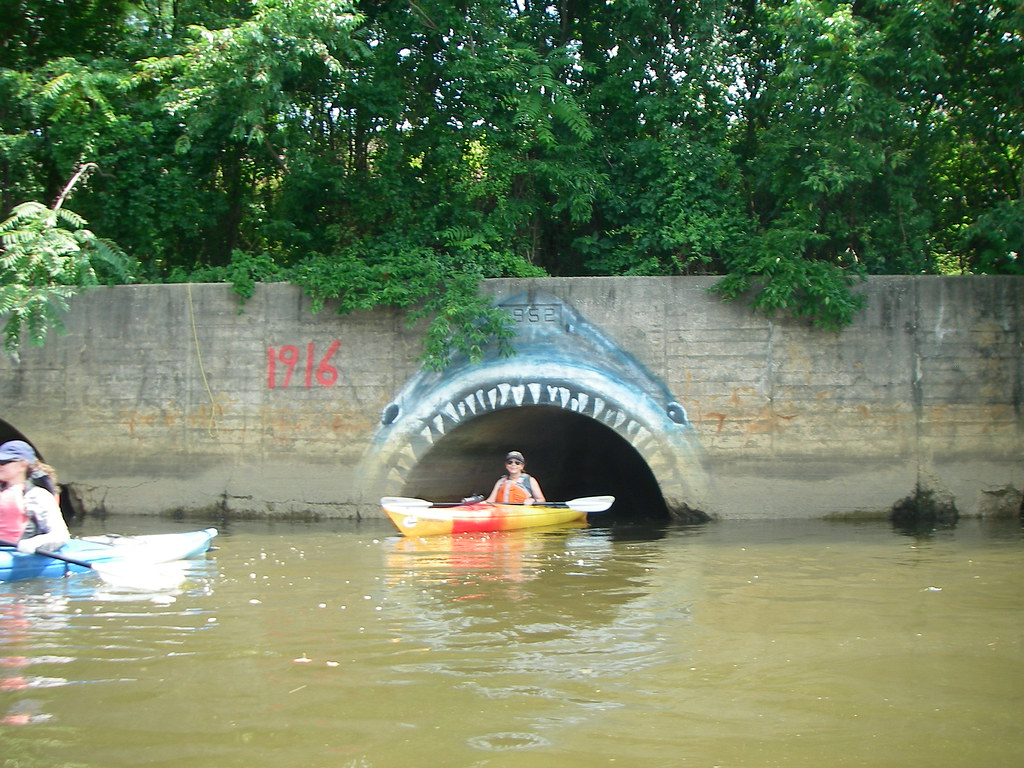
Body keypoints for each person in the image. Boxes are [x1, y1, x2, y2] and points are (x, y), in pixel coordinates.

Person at [0, 440, 70, 553]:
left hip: (16, 554)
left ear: (22, 465)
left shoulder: (37, 496)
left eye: (4, 462)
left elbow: (60, 535)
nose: (0, 466)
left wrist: (35, 542)